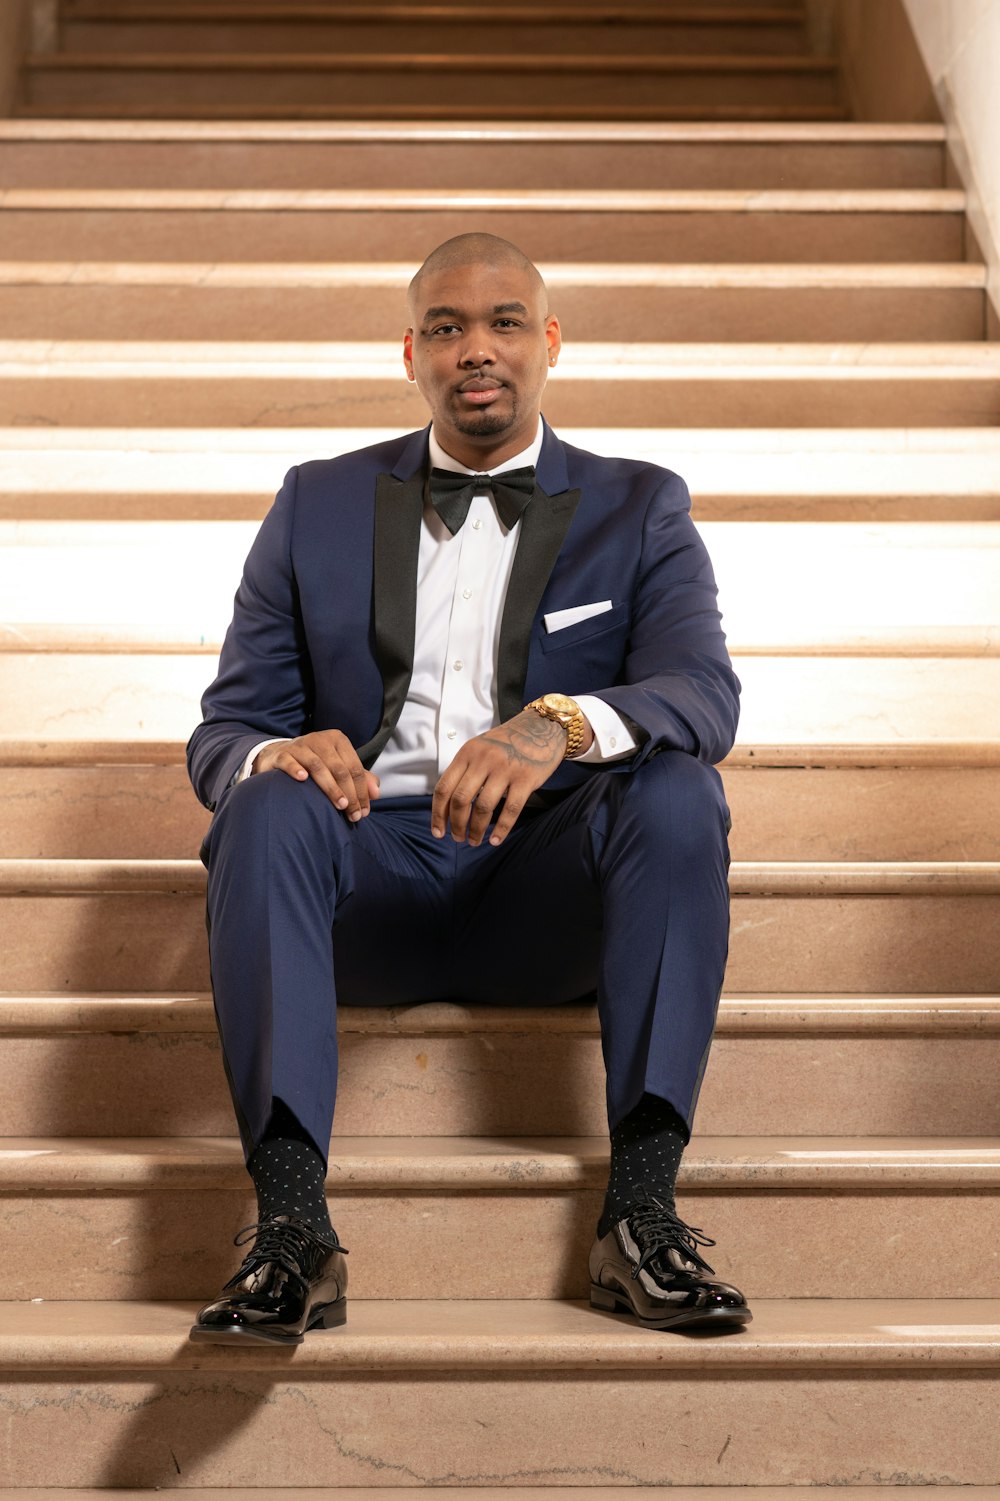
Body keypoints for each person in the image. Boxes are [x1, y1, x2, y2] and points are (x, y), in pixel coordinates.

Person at [186, 232, 749, 1345]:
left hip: (544, 897)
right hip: (363, 882)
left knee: (678, 789)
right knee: (262, 799)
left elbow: (702, 693)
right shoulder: (316, 502)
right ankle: (293, 1230)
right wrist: (278, 754)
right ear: (410, 353)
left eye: (501, 323)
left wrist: (558, 722)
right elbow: (225, 728)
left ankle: (640, 1212)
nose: (473, 348)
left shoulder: (641, 506)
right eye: (445, 328)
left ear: (549, 343)